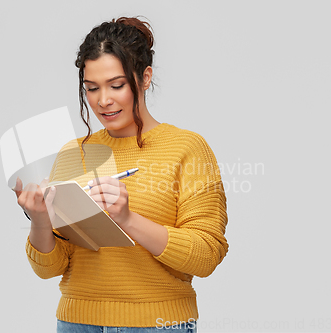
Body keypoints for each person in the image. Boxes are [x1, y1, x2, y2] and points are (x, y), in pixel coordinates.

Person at [13, 16, 228, 332]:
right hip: (76, 322)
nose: (103, 101)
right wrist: (41, 220)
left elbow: (207, 255)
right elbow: (51, 268)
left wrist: (127, 220)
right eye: (91, 88)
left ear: (144, 78)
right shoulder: (74, 153)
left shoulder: (187, 148)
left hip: (156, 324)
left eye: (116, 85)